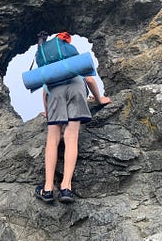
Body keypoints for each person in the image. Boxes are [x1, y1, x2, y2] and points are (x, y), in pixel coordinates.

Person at [35, 31, 111, 203]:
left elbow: (45, 90)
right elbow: (90, 80)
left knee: (53, 139)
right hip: (76, 88)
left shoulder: (50, 64)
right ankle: (66, 188)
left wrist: (47, 111)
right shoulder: (71, 53)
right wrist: (99, 99)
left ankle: (47, 189)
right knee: (71, 138)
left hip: (54, 91)